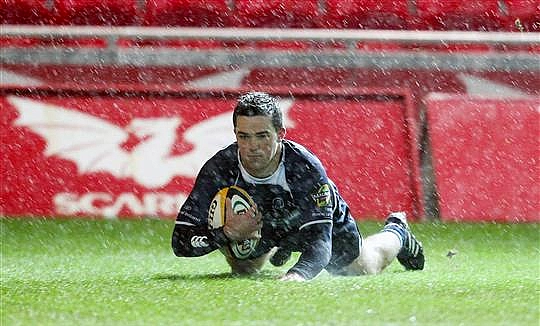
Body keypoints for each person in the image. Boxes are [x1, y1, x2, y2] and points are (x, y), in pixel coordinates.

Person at [171, 91, 424, 281]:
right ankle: (278, 243)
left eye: (262, 136)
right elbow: (180, 242)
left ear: (281, 134)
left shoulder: (304, 167)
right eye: (244, 136)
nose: (252, 146)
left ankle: (397, 232)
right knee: (243, 268)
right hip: (265, 222)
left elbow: (321, 241)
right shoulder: (219, 168)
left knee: (360, 267)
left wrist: (298, 275)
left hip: (311, 222)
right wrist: (226, 233)